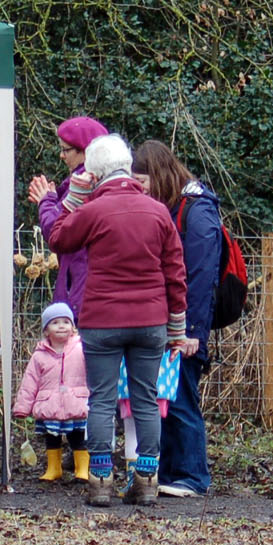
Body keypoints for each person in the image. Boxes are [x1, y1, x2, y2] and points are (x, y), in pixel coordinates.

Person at [48, 134, 194, 506]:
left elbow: (58, 238)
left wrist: (75, 196)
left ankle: (100, 480)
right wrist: (177, 329)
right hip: (150, 320)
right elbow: (176, 274)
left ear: (94, 174)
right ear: (128, 167)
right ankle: (146, 479)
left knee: (101, 399)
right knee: (146, 398)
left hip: (102, 319)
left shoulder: (93, 211)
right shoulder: (158, 212)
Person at [132, 139, 223, 497]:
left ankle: (191, 475)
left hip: (186, 325)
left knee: (183, 394)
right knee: (168, 395)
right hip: (171, 320)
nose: (139, 188)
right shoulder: (174, 207)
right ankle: (171, 471)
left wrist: (192, 331)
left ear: (157, 175)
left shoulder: (197, 210)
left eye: (142, 181)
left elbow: (201, 275)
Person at [27, 115, 109, 320]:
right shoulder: (102, 182)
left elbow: (55, 230)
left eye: (66, 150)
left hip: (80, 290)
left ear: (85, 151)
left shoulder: (83, 186)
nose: (61, 155)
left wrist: (46, 201)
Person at [14, 301, 90, 482]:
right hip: (49, 404)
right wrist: (22, 407)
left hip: (76, 403)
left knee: (78, 437)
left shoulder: (82, 350)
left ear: (73, 327)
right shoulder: (39, 355)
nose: (61, 326)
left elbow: (94, 375)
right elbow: (30, 382)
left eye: (66, 322)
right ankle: (54, 468)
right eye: (55, 323)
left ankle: (82, 469)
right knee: (51, 438)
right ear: (46, 330)